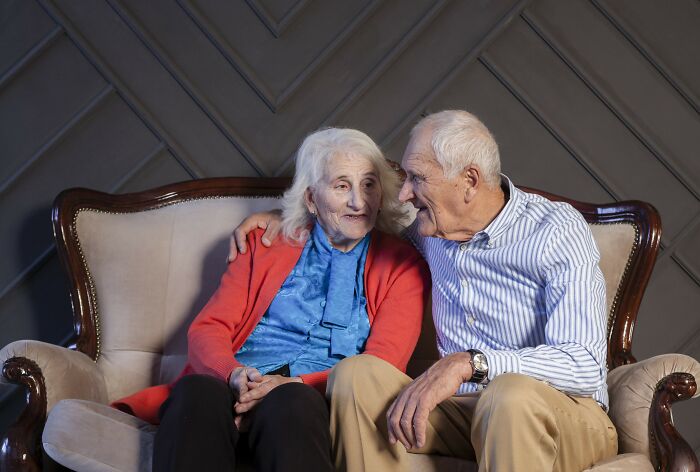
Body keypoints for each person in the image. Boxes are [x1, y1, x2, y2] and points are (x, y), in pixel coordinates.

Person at [228, 110, 618, 471]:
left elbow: (583, 363)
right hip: (459, 412)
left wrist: (471, 362)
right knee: (355, 375)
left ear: (468, 181)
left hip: (560, 415)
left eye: (417, 178)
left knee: (509, 396)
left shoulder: (555, 230)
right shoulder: (430, 231)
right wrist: (285, 223)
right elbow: (356, 226)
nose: (404, 194)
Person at [112, 128, 430, 472]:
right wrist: (234, 375)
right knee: (195, 393)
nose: (359, 201)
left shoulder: (403, 265)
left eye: (369, 184)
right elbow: (208, 329)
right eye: (341, 186)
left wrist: (292, 384)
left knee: (291, 402)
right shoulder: (267, 244)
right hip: (239, 381)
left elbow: (382, 365)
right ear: (311, 199)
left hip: (317, 398)